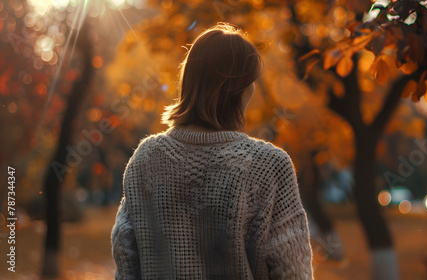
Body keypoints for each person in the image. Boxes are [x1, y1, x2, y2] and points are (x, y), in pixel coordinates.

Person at [111, 22, 314, 280]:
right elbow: (292, 271)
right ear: (239, 87)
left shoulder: (146, 159)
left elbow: (126, 256)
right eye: (250, 80)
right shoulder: (269, 165)